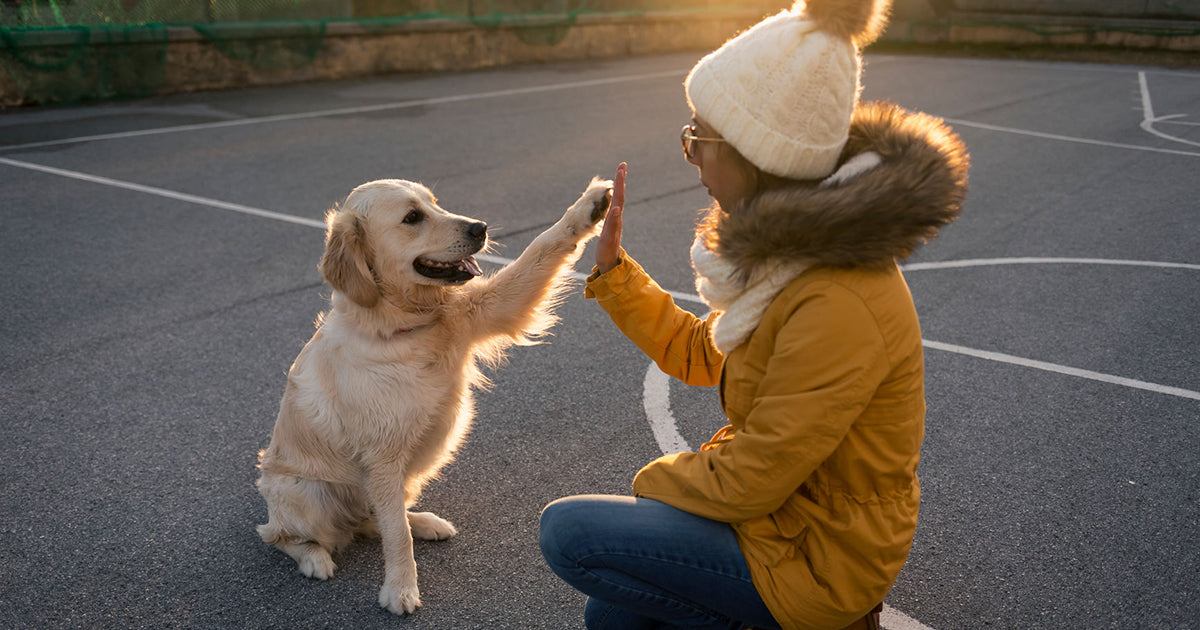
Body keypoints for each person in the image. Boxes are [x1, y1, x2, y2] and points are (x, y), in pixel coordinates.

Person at [538, 0, 969, 629]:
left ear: (756, 153)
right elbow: (701, 354)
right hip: (782, 518)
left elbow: (754, 477)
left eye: (700, 141)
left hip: (823, 554)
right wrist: (616, 274)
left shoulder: (836, 296)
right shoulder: (789, 261)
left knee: (571, 534)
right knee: (613, 615)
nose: (694, 161)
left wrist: (651, 485)